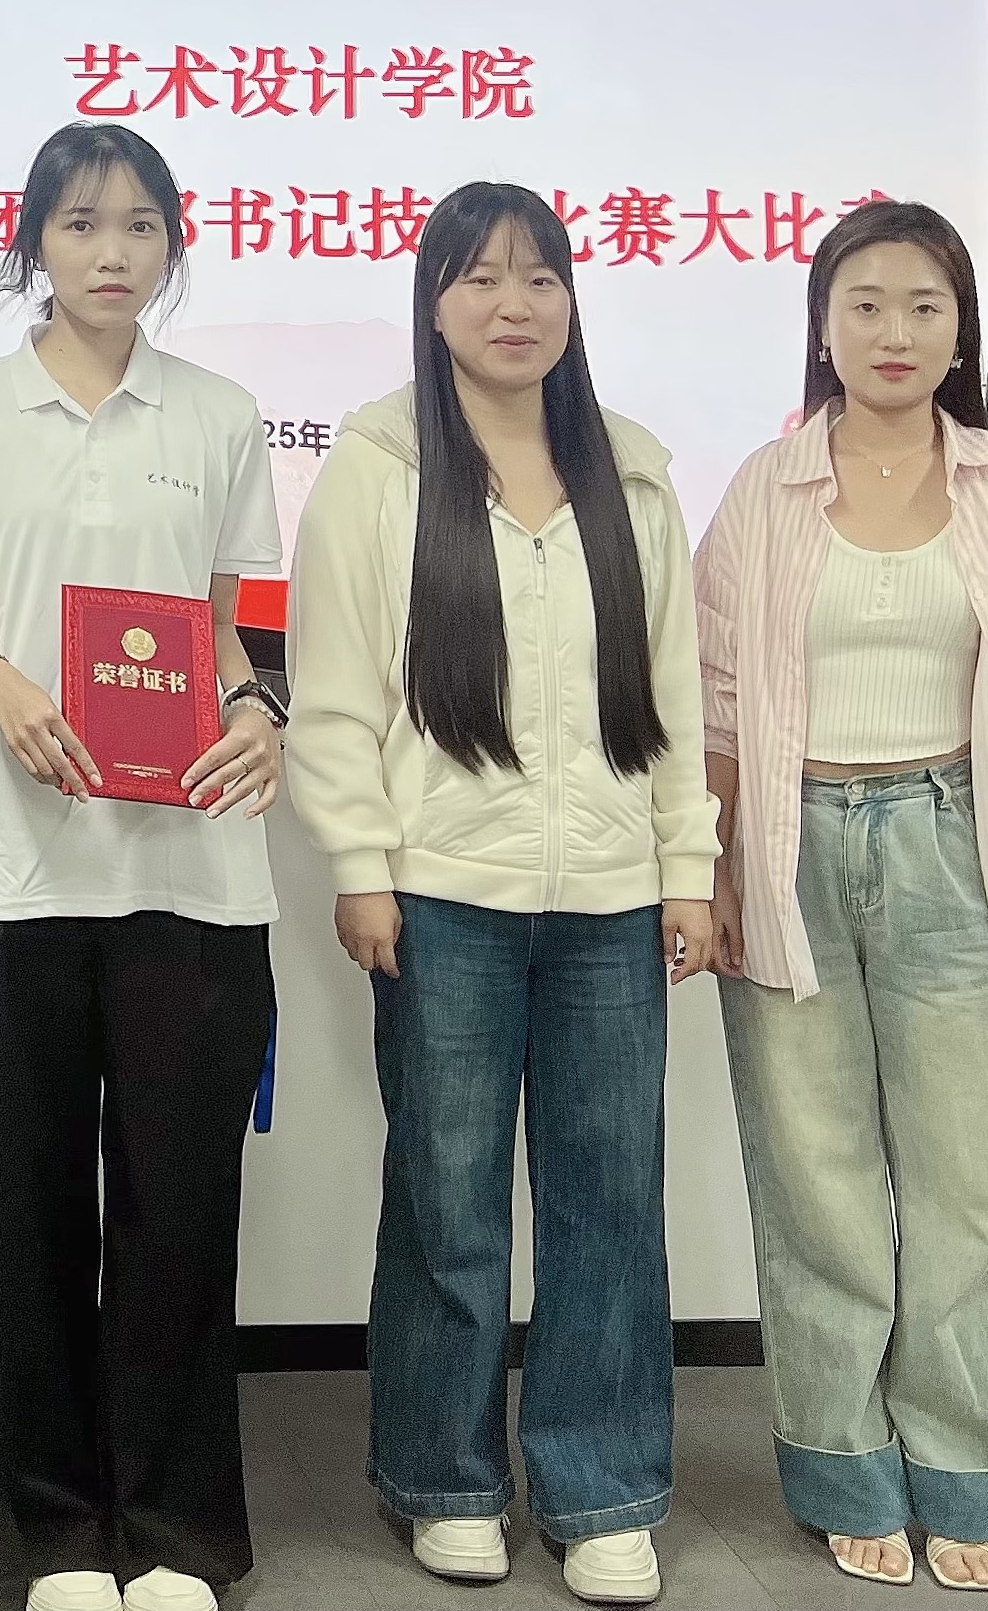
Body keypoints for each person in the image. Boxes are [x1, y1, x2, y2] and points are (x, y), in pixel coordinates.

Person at [285, 180, 717, 1608]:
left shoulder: (632, 473)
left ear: (573, 300)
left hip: (610, 899)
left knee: (609, 1201)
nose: (511, 305)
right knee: (446, 1197)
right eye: (478, 278)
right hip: (439, 894)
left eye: (539, 278)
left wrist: (687, 869)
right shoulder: (377, 463)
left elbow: (670, 696)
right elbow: (335, 692)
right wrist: (361, 864)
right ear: (433, 302)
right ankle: (447, 1479)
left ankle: (601, 1488)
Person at [0, 123, 288, 1611]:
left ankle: (174, 1530)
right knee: (18, 1208)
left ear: (171, 243)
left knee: (180, 1207)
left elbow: (222, 626)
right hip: (18, 863)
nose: (110, 251)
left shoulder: (221, 415)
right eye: (78, 223)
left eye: (137, 224)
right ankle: (42, 1533)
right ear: (33, 244)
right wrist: (1, 684)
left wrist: (255, 710)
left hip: (192, 865)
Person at [697, 198, 988, 1593]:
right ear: (822, 324)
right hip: (786, 848)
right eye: (863, 303)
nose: (893, 332)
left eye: (924, 304)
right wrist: (713, 872)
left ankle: (969, 1472)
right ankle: (844, 1467)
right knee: (815, 1190)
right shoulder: (763, 489)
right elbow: (719, 705)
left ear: (958, 329)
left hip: (951, 844)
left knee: (965, 1189)